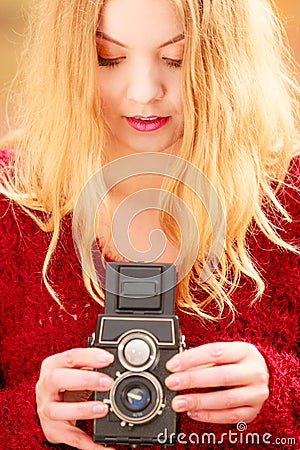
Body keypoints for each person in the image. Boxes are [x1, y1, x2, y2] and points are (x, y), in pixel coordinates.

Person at [0, 0, 299, 449]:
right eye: (109, 57)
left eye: (177, 59)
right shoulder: (11, 200)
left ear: (227, 56)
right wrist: (30, 414)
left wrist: (281, 392)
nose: (143, 92)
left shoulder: (289, 200)